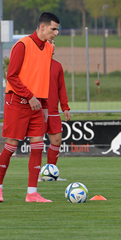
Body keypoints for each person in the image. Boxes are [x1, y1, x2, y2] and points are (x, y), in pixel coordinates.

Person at [0, 12, 59, 203]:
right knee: (11, 146)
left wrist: (44, 105)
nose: (56, 33)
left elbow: (43, 79)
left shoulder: (48, 48)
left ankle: (32, 193)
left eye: (57, 30)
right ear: (42, 27)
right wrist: (29, 96)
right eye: (53, 29)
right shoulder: (22, 45)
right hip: (17, 102)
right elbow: (11, 76)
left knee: (38, 147)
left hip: (37, 105)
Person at [44, 39, 71, 171]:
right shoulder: (35, 64)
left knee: (57, 141)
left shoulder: (57, 66)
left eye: (54, 43)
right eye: (50, 42)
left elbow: (61, 88)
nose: (54, 45)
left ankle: (51, 172)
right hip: (38, 111)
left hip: (53, 111)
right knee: (36, 144)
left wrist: (65, 107)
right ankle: (36, 175)